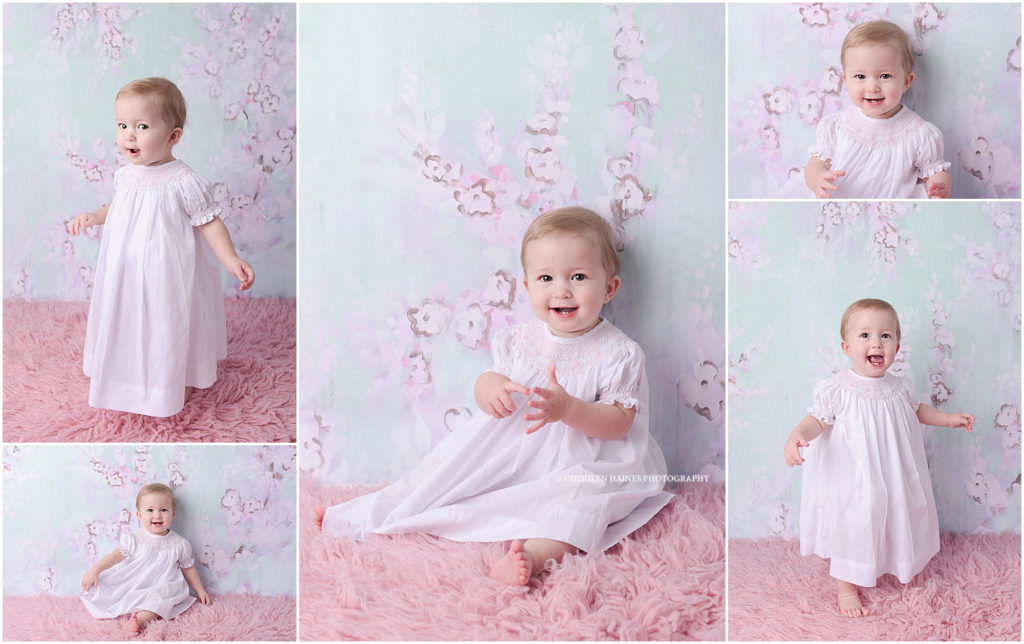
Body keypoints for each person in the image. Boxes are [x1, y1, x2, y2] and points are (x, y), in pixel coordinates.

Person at [316, 206, 673, 585]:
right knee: (445, 472)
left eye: (579, 277)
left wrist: (568, 408)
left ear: (609, 288)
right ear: (528, 287)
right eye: (546, 277)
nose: (561, 290)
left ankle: (532, 556)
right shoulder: (519, 340)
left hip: (588, 462)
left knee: (583, 502)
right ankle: (372, 511)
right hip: (518, 454)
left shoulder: (618, 353)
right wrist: (490, 389)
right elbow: (490, 378)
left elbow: (619, 424)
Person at [69, 77, 255, 417]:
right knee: (126, 318)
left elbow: (209, 221)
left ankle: (171, 377)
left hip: (165, 272)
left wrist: (231, 258)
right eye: (122, 125)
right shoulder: (126, 176)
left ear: (173, 136)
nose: (129, 135)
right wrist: (94, 216)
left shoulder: (184, 181)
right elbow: (117, 208)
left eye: (142, 126)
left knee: (165, 322)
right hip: (126, 271)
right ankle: (123, 372)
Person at [784, 298, 974, 617]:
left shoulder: (900, 388)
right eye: (865, 336)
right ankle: (846, 585)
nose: (876, 342)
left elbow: (918, 411)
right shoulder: (838, 389)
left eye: (885, 336)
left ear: (896, 348)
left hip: (893, 473)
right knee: (856, 521)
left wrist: (948, 418)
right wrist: (797, 435)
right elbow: (817, 419)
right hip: (854, 477)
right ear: (846, 347)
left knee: (897, 514)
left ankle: (889, 561)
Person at [775, 20, 951, 199]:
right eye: (860, 76)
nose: (872, 86)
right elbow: (815, 164)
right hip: (839, 202)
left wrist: (940, 186)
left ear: (906, 81)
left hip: (890, 211)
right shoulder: (837, 126)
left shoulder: (919, 134)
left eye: (885, 76)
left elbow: (934, 172)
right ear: (846, 80)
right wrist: (818, 179)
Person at [81, 483, 210, 633]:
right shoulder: (135, 538)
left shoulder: (179, 544)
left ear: (172, 514)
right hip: (135, 582)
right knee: (106, 587)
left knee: (159, 603)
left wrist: (200, 590)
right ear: (139, 515)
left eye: (163, 510)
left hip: (162, 586)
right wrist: (94, 570)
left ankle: (140, 620)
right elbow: (115, 557)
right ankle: (132, 608)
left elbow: (188, 568)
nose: (157, 515)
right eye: (150, 510)